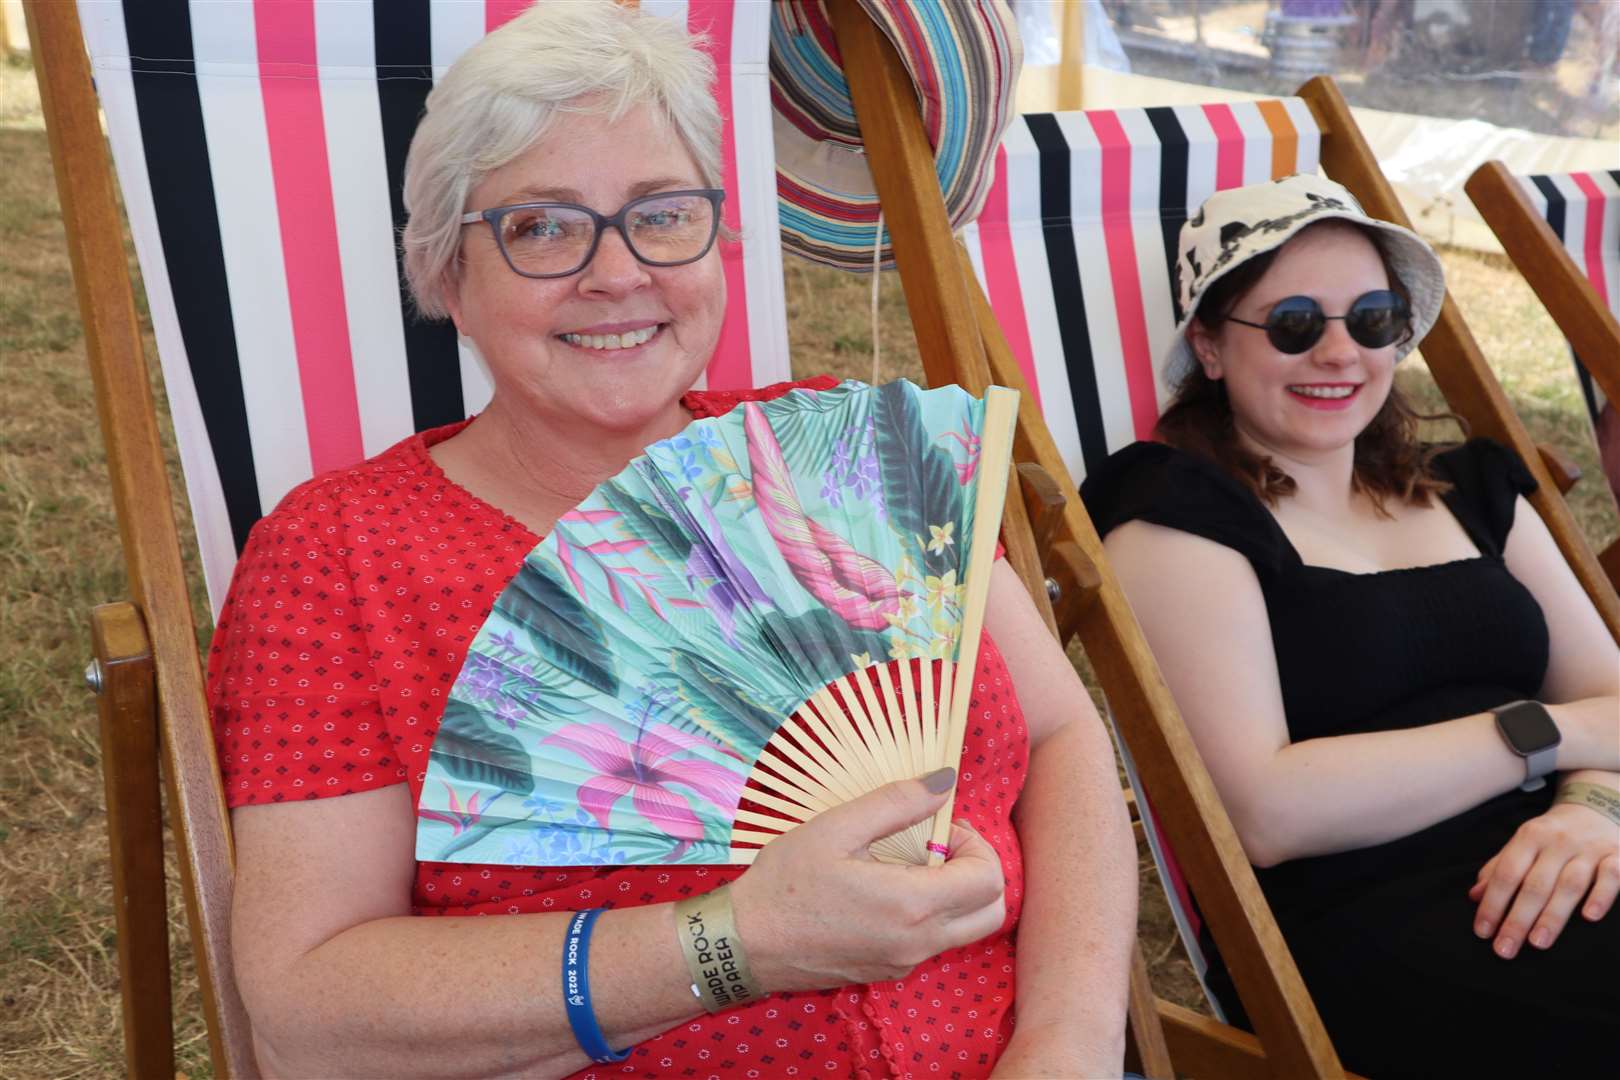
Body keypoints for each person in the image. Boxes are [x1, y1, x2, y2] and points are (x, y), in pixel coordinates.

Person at [206, 4, 1137, 1077]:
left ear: (718, 238)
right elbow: (309, 1013)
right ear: (448, 277)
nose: (618, 273)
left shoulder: (838, 453)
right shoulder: (344, 556)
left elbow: (1065, 742)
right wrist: (737, 945)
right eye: (542, 227)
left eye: (662, 213)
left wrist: (1067, 1039)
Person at [1082, 174, 1619, 1078]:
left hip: (1576, 861)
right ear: (1210, 347)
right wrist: (1545, 734)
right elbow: (1268, 809)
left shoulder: (1474, 487)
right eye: (1294, 323)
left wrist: (1593, 808)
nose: (1340, 352)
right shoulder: (1175, 513)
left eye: (1372, 319)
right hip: (1397, 921)